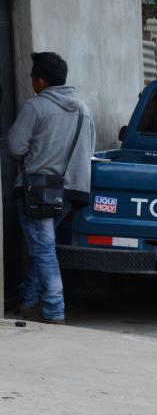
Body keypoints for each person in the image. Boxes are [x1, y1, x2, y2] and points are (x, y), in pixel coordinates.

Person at [9, 52, 95, 324]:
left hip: (39, 191)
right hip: (71, 191)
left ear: (42, 81)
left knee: (43, 249)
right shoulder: (84, 109)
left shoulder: (36, 107)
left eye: (33, 77)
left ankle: (54, 309)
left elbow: (15, 148)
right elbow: (88, 150)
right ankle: (28, 299)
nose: (32, 83)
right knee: (41, 246)